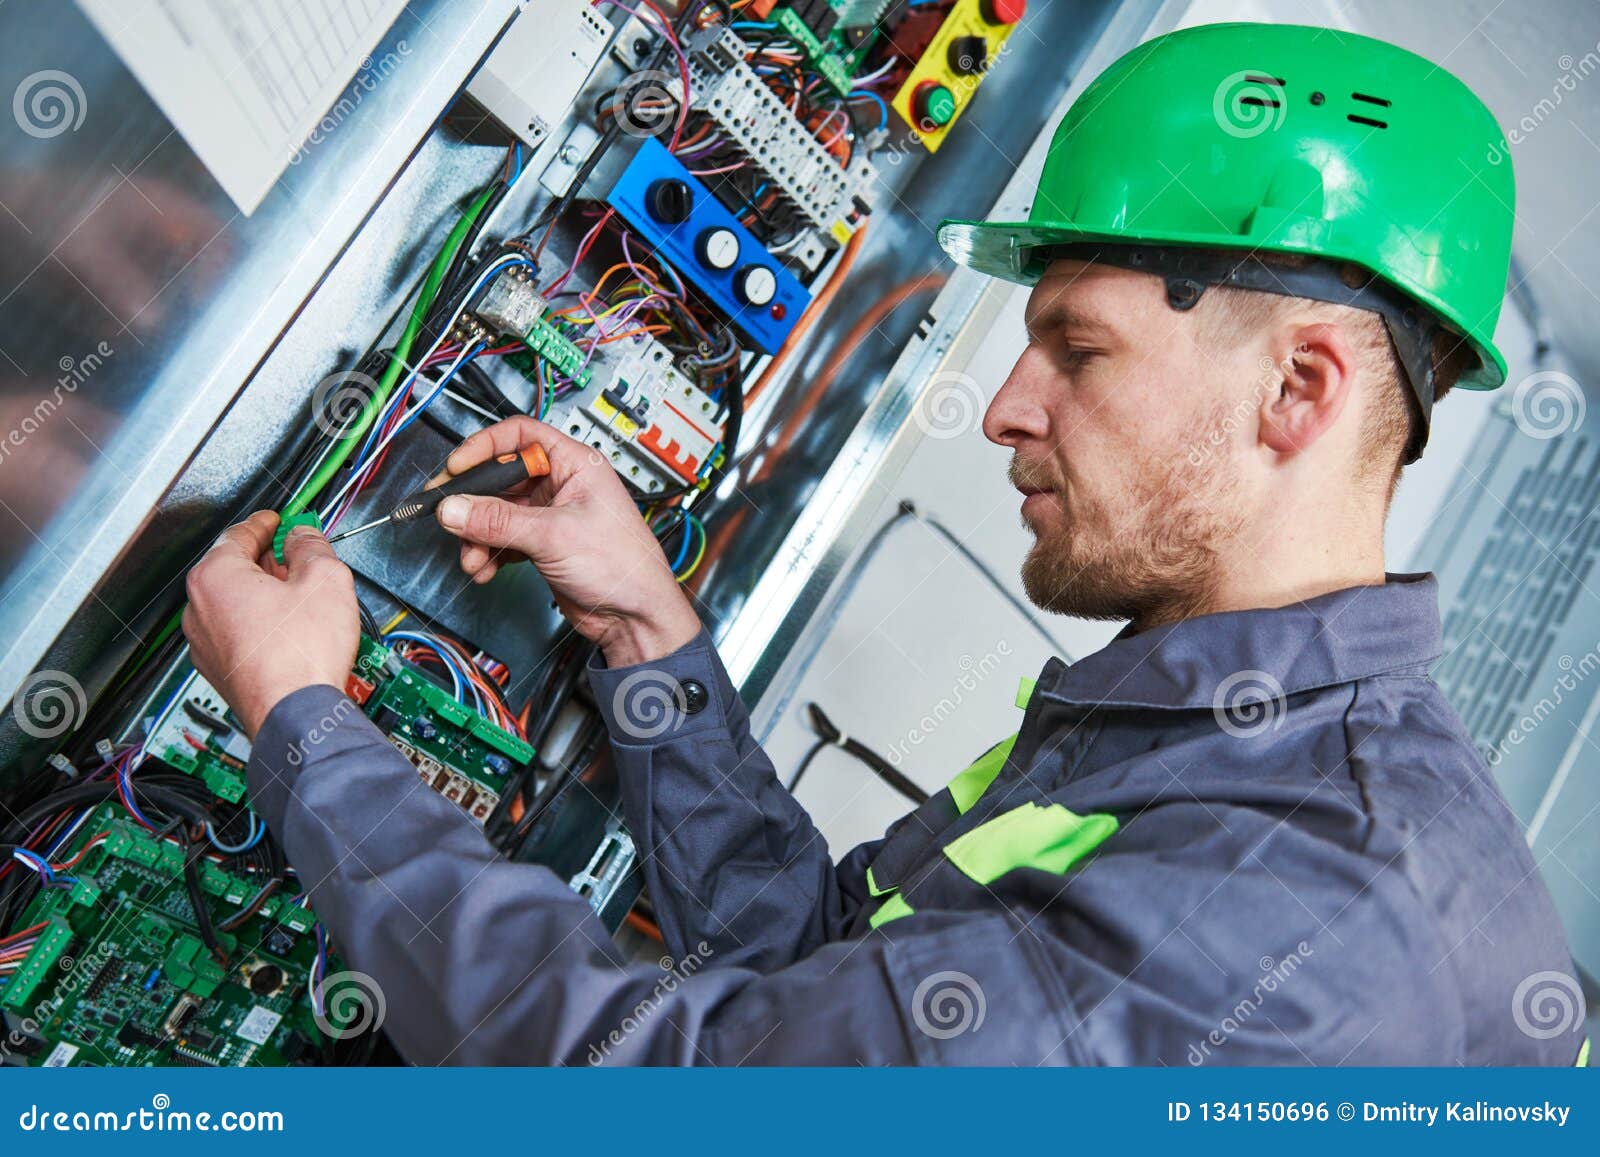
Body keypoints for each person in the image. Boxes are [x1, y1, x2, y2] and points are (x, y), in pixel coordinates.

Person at [182, 23, 1587, 1065]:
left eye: (1077, 350)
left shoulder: (1306, 903)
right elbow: (822, 967)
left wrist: (309, 727)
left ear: (1300, 391)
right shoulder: (1188, 719)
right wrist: (645, 634)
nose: (1010, 409)